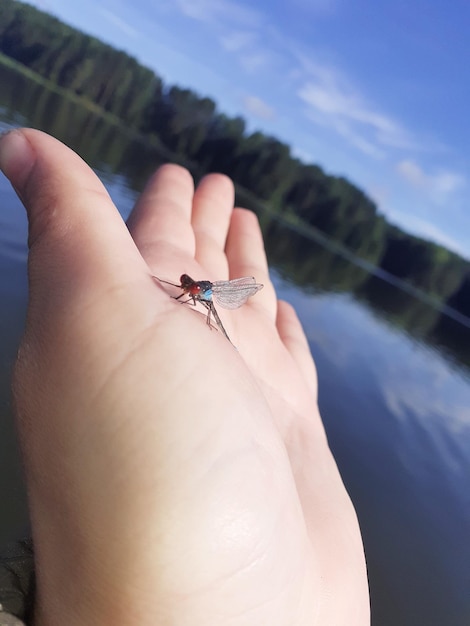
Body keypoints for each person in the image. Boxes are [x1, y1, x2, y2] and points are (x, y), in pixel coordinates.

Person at [0, 129, 369, 625]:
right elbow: (180, 289)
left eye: (190, 287)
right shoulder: (193, 288)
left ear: (197, 288)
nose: (186, 288)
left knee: (209, 311)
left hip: (218, 304)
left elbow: (203, 296)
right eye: (188, 287)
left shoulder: (208, 296)